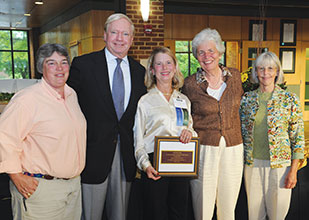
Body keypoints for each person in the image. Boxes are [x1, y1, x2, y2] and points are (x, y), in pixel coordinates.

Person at [67, 13, 146, 220]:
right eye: (114, 32)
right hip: (92, 157)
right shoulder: (84, 66)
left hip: (126, 157)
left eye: (125, 34)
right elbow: (66, 105)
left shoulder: (140, 72)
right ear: (104, 35)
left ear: (131, 39)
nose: (119, 38)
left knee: (120, 215)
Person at [0, 43, 87, 220]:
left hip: (72, 188)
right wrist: (16, 176)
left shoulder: (71, 95)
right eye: (51, 63)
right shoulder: (27, 99)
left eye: (63, 62)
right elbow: (4, 137)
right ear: (41, 67)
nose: (60, 68)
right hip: (41, 190)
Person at [182, 28, 244, 220]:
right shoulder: (190, 84)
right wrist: (185, 129)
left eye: (210, 51)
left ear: (219, 52)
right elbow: (185, 116)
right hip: (204, 148)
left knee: (228, 203)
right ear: (196, 56)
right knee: (203, 202)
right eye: (201, 52)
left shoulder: (235, 77)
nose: (206, 56)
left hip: (233, 146)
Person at [240, 51, 305, 220]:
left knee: (278, 214)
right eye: (261, 69)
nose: (265, 73)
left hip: (280, 166)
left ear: (277, 71)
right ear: (255, 72)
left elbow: (297, 137)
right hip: (252, 165)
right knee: (254, 215)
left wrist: (294, 170)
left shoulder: (289, 99)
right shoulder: (246, 100)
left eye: (270, 68)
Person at [133, 46, 196, 220]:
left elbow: (189, 128)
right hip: (155, 166)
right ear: (152, 70)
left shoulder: (183, 100)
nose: (164, 68)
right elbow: (138, 139)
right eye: (159, 64)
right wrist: (145, 165)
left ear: (175, 67)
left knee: (179, 213)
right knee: (156, 213)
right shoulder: (145, 102)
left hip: (181, 164)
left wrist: (190, 133)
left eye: (168, 63)